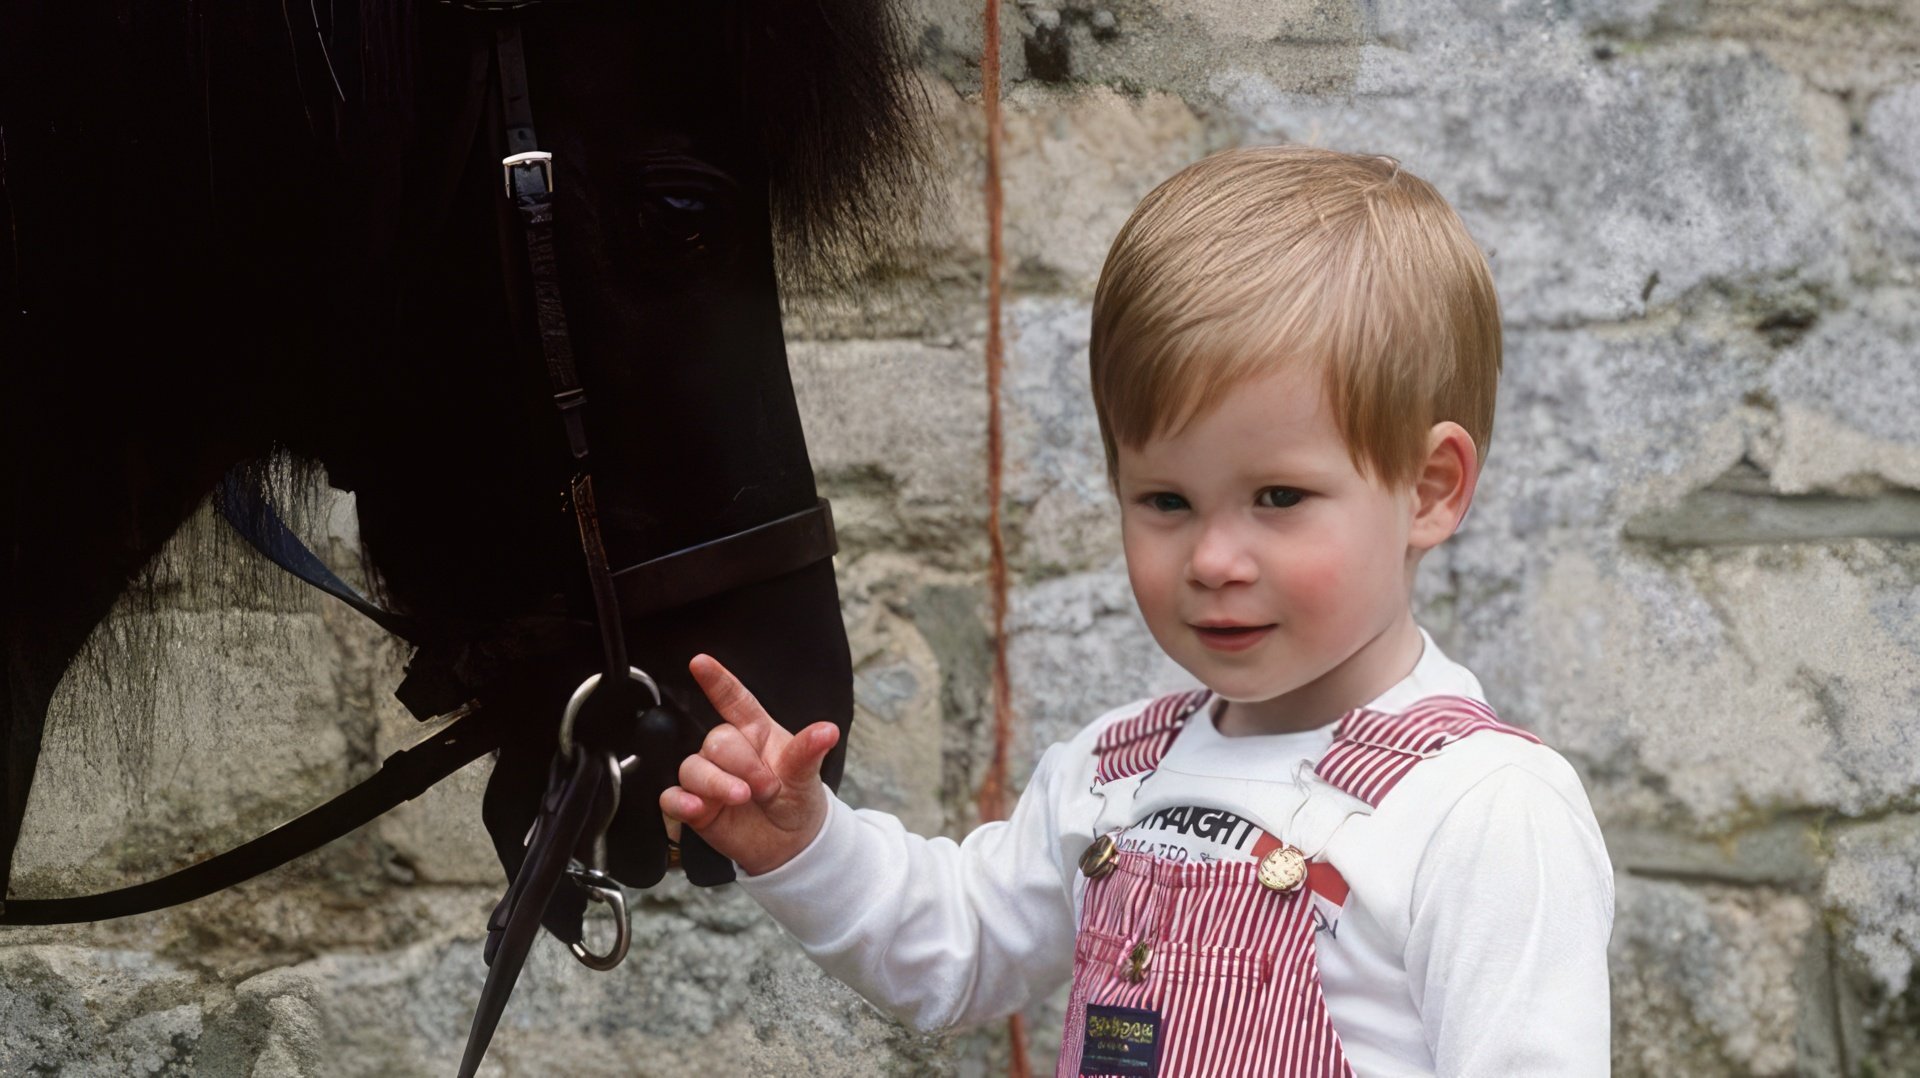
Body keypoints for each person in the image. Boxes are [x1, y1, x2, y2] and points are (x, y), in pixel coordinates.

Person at [658, 146, 1614, 1075]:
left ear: (1428, 489)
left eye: (1278, 498)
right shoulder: (1115, 773)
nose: (1212, 559)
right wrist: (807, 845)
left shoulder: (1480, 812)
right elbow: (956, 945)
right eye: (1166, 501)